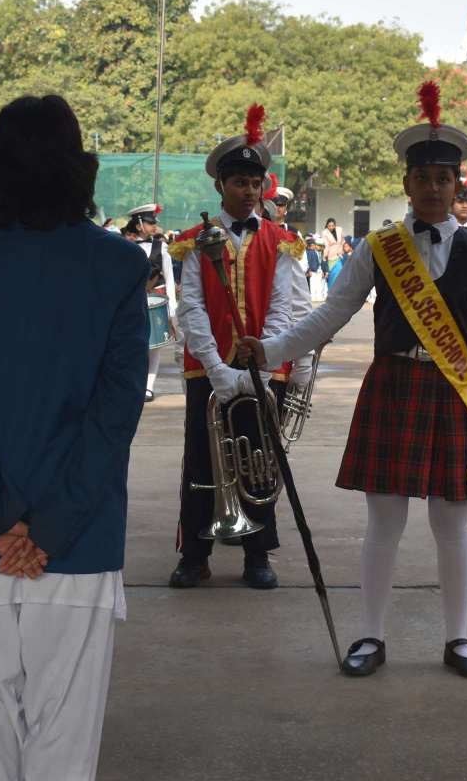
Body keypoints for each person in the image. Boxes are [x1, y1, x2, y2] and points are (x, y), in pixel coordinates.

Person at [240, 80, 467, 680]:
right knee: (384, 522)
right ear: (407, 185)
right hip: (393, 386)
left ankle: (459, 639)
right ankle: (371, 636)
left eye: (444, 179)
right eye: (424, 178)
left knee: (451, 524)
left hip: (453, 394)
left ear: (457, 186)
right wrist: (271, 350)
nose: (434, 188)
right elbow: (330, 315)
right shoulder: (380, 247)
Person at [0, 94, 144, 781]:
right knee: (63, 735)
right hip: (79, 535)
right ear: (79, 166)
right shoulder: (118, 264)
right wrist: (51, 528)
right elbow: (115, 413)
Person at [166, 104, 300, 591]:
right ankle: (194, 555)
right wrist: (217, 368)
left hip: (264, 368)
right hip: (208, 369)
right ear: (220, 185)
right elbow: (191, 308)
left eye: (255, 183)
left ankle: (257, 554)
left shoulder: (281, 241)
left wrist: (263, 364)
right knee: (201, 462)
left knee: (260, 460)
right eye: (239, 182)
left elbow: (284, 308)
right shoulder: (193, 241)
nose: (249, 191)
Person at [127, 203, 178, 403]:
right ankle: (136, 383)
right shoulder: (128, 246)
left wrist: (172, 308)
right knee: (135, 344)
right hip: (134, 301)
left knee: (155, 344)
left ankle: (149, 386)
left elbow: (170, 278)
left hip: (156, 299)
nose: (154, 225)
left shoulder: (162, 247)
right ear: (138, 224)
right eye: (149, 222)